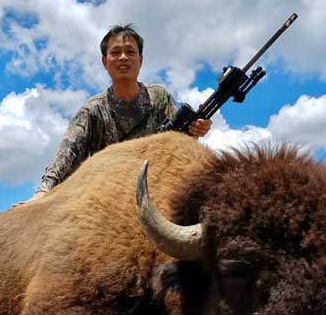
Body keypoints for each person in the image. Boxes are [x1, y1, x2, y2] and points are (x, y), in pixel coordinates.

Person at [15, 24, 212, 205]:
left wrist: (195, 131)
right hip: (107, 195)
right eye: (115, 52)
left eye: (130, 52)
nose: (123, 58)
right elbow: (68, 152)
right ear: (104, 61)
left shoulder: (159, 97)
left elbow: (178, 142)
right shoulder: (92, 109)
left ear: (140, 60)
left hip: (157, 186)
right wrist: (43, 191)